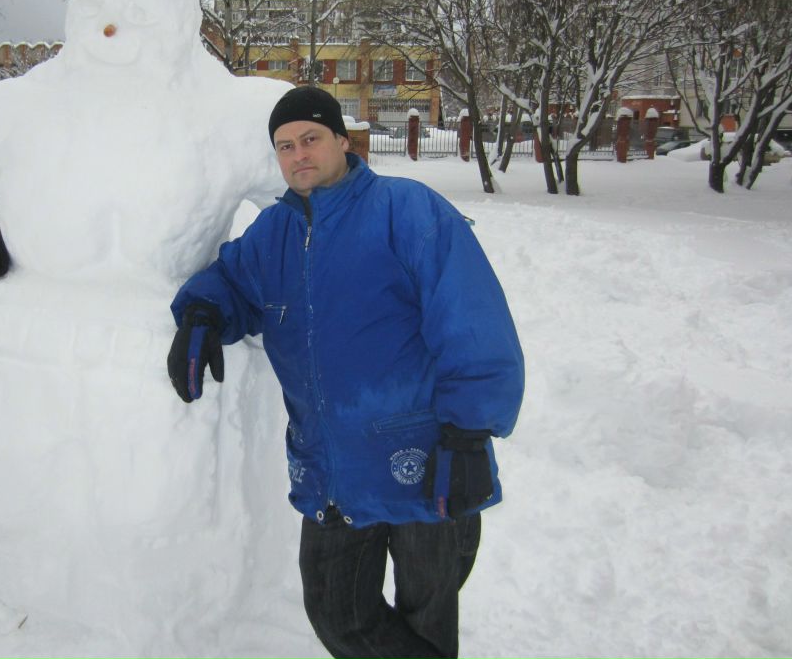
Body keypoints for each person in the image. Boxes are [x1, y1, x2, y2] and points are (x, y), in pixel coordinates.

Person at [166, 85, 524, 659]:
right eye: (284, 146)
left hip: (427, 457)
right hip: (331, 467)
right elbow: (233, 279)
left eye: (310, 138)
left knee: (428, 611)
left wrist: (469, 433)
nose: (298, 155)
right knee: (336, 609)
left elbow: (471, 318)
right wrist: (203, 313)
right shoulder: (275, 233)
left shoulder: (407, 211)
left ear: (340, 140)